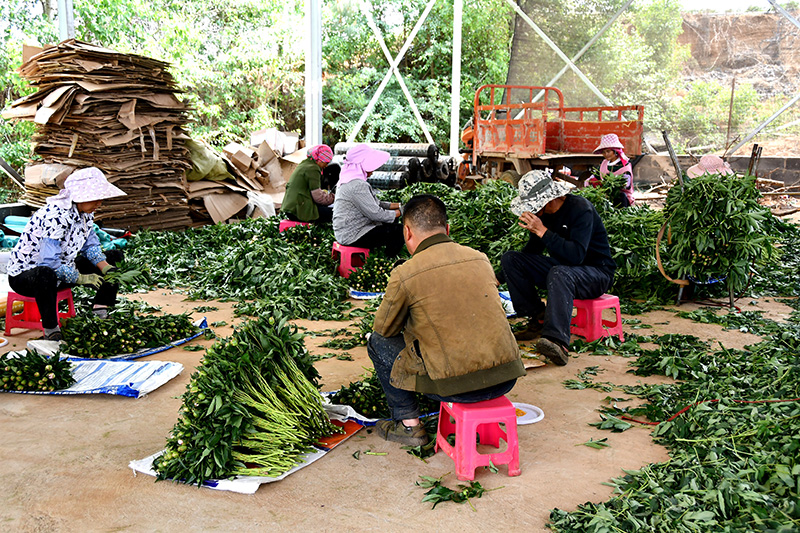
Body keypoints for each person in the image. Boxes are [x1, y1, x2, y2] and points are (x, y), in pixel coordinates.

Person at [368, 194, 525, 446]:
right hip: (505, 378)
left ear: (407, 232)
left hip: (456, 387)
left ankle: (409, 426)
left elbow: (384, 329)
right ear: (447, 228)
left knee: (377, 341)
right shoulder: (480, 258)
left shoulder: (405, 273)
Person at [500, 169, 616, 366]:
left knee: (559, 272)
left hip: (596, 273)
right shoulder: (543, 215)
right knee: (511, 259)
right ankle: (538, 318)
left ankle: (557, 341)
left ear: (548, 200)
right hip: (565, 270)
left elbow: (576, 256)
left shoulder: (581, 210)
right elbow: (533, 251)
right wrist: (499, 277)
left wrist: (543, 231)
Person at [7, 167, 127, 341]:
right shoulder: (56, 215)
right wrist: (80, 278)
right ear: (80, 196)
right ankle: (51, 329)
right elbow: (48, 262)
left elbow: (91, 246)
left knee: (115, 256)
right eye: (96, 197)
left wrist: (107, 268)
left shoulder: (85, 214)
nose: (100, 202)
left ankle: (100, 309)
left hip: (63, 272)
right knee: (45, 274)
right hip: (29, 277)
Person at [332, 144, 405, 257]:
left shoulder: (348, 179)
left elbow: (377, 203)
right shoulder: (357, 185)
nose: (374, 169)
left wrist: (399, 205)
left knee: (392, 221)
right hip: (353, 234)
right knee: (399, 231)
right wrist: (402, 211)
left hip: (345, 231)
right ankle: (388, 260)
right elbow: (376, 214)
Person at [281, 144, 335, 223]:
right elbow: (318, 198)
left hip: (290, 208)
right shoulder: (313, 168)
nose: (326, 165)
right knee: (335, 214)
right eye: (326, 162)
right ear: (320, 160)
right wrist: (333, 198)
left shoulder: (305, 164)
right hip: (298, 209)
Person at [589, 133, 635, 208]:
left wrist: (611, 183)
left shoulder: (624, 165)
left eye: (608, 151)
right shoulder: (604, 163)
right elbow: (596, 176)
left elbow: (626, 185)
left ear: (615, 151)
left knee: (621, 196)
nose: (606, 154)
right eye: (604, 152)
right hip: (605, 197)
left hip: (622, 199)